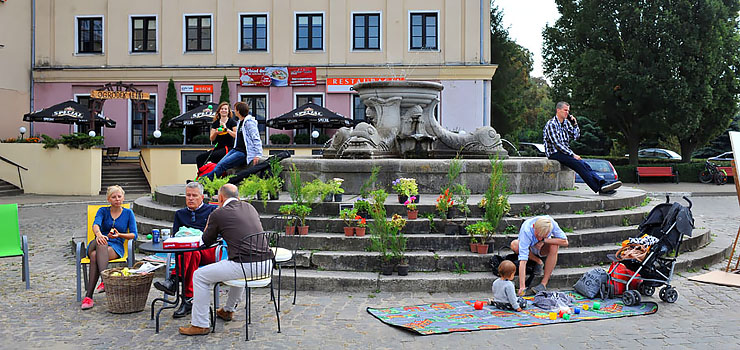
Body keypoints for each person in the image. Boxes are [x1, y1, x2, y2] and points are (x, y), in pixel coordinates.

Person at [179, 183, 273, 336]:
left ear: (220, 198)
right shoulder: (250, 208)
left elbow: (206, 241)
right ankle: (228, 310)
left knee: (199, 275)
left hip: (245, 264)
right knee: (236, 269)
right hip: (266, 265)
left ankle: (200, 324)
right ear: (238, 197)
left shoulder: (219, 213)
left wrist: (211, 220)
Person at [153, 182, 217, 318]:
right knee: (189, 252)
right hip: (190, 253)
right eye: (188, 195)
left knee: (189, 252)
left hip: (208, 250)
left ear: (202, 197)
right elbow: (176, 237)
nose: (191, 198)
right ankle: (187, 300)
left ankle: (174, 280)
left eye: (194, 195)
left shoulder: (211, 211)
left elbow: (215, 235)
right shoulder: (180, 214)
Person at [544, 101, 622, 194]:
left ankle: (603, 184)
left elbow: (576, 136)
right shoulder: (552, 124)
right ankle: (600, 187)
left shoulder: (566, 123)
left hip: (564, 152)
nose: (567, 113)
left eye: (568, 111)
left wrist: (575, 124)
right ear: (558, 110)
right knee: (579, 165)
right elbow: (558, 144)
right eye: (565, 110)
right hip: (555, 153)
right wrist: (572, 155)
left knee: (585, 165)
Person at [81, 185, 138, 310]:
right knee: (102, 242)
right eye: (114, 197)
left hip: (116, 246)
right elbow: (96, 224)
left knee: (95, 256)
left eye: (119, 196)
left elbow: (134, 234)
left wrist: (120, 235)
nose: (117, 199)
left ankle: (89, 296)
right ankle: (105, 280)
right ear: (108, 199)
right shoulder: (103, 211)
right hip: (97, 242)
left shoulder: (128, 213)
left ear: (123, 197)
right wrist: (99, 234)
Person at [201, 101, 262, 180]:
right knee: (219, 164)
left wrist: (258, 155)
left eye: (235, 109)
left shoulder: (249, 123)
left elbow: (256, 139)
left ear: (238, 111)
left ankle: (203, 181)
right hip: (236, 149)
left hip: (243, 152)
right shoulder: (240, 122)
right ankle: (204, 180)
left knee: (222, 165)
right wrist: (225, 129)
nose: (234, 111)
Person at [509, 216, 569, 296]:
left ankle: (544, 283)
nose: (540, 238)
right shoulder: (526, 229)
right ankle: (538, 261)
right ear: (534, 227)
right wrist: (522, 286)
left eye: (543, 236)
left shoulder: (550, 223)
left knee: (555, 245)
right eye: (538, 235)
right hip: (529, 248)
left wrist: (544, 240)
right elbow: (523, 261)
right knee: (515, 245)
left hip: (542, 248)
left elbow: (565, 242)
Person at [195, 102, 238, 170]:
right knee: (200, 158)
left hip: (229, 147)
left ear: (228, 111)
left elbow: (236, 135)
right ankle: (201, 176)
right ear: (219, 111)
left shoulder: (232, 122)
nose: (223, 110)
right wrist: (216, 133)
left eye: (225, 109)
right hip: (218, 147)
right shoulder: (216, 123)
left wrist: (226, 129)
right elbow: (211, 138)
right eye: (222, 109)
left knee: (215, 156)